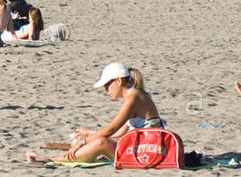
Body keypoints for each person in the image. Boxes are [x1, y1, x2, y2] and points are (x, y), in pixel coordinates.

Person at [28, 63, 161, 164]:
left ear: (119, 81)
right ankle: (57, 158)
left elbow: (111, 129)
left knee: (101, 143)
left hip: (147, 153)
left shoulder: (133, 98)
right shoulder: (135, 94)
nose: (106, 90)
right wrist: (92, 133)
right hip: (147, 149)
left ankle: (51, 159)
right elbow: (122, 132)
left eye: (107, 85)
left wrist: (83, 142)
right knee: (100, 141)